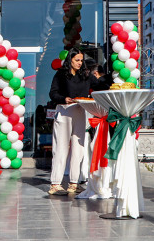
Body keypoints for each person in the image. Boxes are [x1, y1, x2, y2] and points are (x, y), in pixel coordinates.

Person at [48, 48, 111, 195]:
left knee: (79, 147)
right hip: (64, 110)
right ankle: (55, 184)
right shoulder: (61, 75)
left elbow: (101, 85)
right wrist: (64, 99)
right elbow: (53, 93)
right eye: (77, 60)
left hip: (80, 110)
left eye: (81, 60)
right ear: (70, 60)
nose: (80, 63)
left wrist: (111, 79)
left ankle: (73, 183)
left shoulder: (86, 75)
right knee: (61, 148)